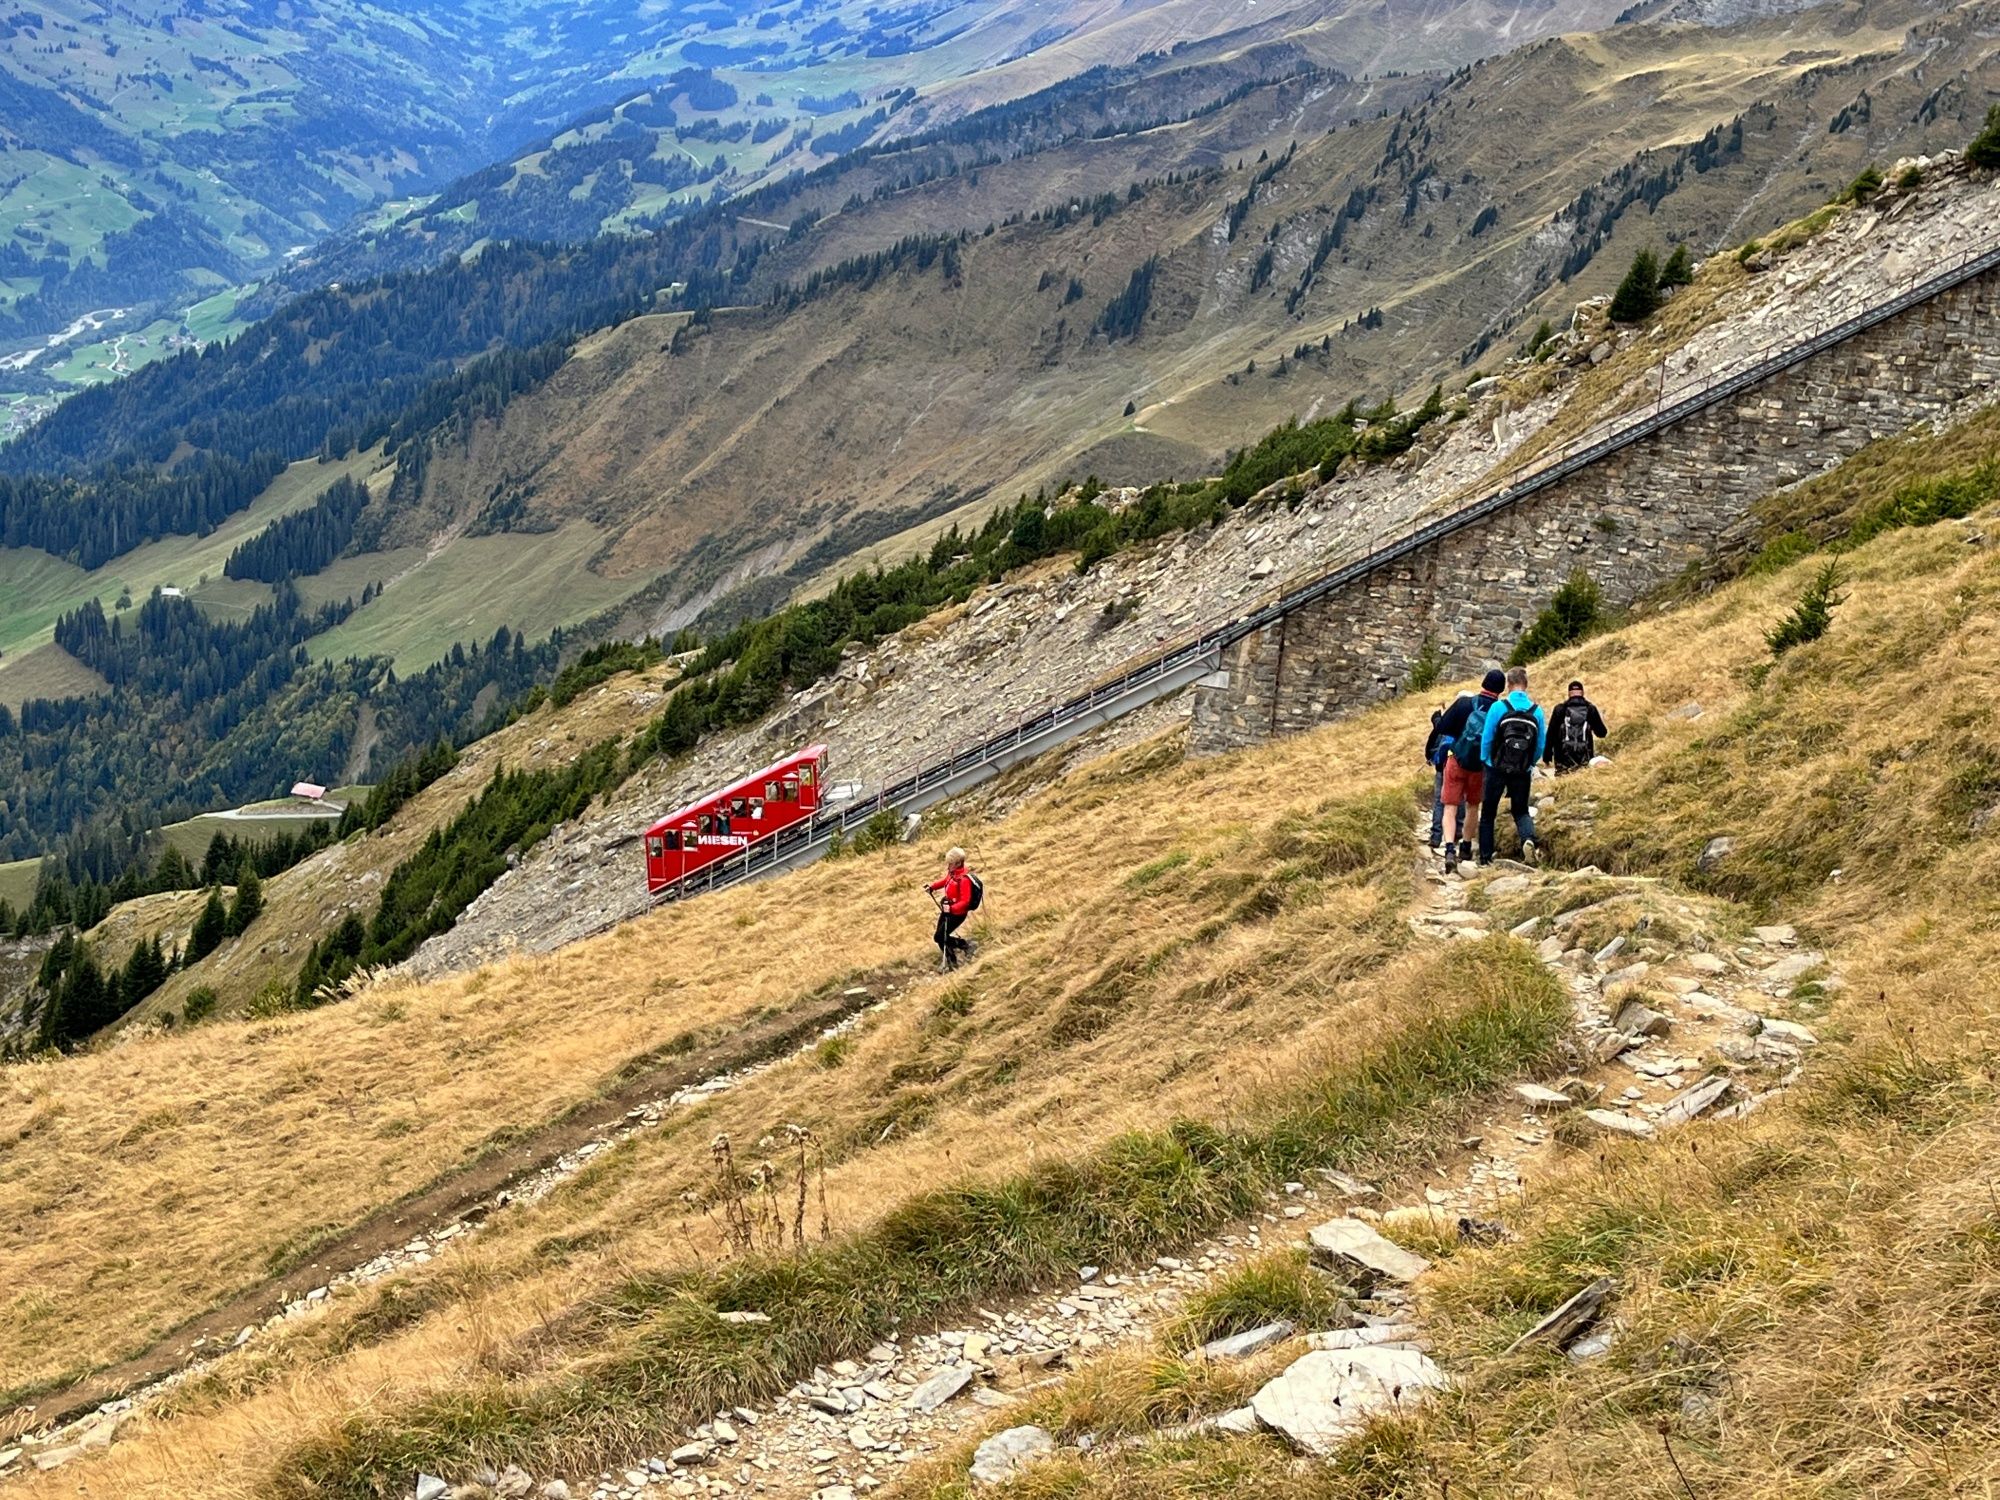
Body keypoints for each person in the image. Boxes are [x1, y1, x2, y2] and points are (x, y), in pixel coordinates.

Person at [1433, 669, 1506, 874]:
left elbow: (1443, 728)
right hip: (1481, 766)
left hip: (1456, 760)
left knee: (1450, 806)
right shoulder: (1500, 710)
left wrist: (1437, 719)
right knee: (1473, 806)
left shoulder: (1464, 703)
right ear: (1501, 690)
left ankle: (1449, 849)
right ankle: (1465, 847)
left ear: (1483, 683)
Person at [1478, 666, 1547, 866]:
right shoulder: (1536, 711)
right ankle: (1528, 839)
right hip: (1522, 769)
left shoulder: (1498, 707)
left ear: (1508, 684)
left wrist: (1486, 760)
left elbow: (1487, 737)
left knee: (1488, 813)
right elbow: (1540, 744)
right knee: (1521, 811)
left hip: (1496, 767)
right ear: (1526, 684)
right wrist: (1529, 763)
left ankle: (1485, 857)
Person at [1424, 695, 1473, 853]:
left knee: (1440, 801)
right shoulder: (1472, 723)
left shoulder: (1448, 720)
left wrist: (1429, 757)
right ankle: (1458, 832)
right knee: (1461, 799)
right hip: (1462, 765)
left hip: (1442, 766)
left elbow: (1432, 740)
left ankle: (1436, 836)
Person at [926, 847, 978, 970]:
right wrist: (932, 887)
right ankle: (952, 962)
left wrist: (952, 909)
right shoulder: (953, 874)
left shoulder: (964, 879)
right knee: (940, 937)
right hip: (948, 910)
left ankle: (965, 946)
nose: (948, 866)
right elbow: (945, 881)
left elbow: (965, 901)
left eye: (950, 863)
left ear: (958, 863)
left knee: (939, 937)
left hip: (957, 914)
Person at [1545, 679, 1609, 774]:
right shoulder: (1590, 709)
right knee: (1583, 780)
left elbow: (1551, 734)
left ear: (1569, 694)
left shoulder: (1560, 709)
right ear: (1582, 693)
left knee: (1563, 781)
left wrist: (1547, 756)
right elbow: (1602, 733)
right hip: (1585, 758)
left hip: (1563, 759)